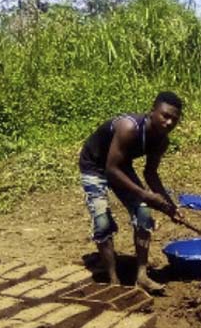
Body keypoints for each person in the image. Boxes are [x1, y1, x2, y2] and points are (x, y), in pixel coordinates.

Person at [78, 91, 186, 294]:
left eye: (174, 119)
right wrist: (144, 194)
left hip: (120, 165)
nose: (169, 122)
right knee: (102, 221)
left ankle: (142, 276)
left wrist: (169, 206)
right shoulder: (129, 127)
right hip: (94, 166)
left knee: (143, 213)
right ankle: (113, 280)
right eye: (165, 115)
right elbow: (110, 170)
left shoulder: (162, 141)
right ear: (152, 111)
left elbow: (150, 173)